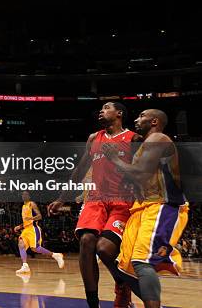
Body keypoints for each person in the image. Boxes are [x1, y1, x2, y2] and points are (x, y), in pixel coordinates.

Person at [48, 102, 140, 308]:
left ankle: (122, 283)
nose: (101, 110)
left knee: (105, 249)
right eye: (101, 108)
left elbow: (143, 173)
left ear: (119, 113)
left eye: (107, 107)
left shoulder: (133, 139)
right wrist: (61, 198)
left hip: (122, 200)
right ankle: (93, 304)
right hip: (96, 199)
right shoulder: (93, 138)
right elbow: (80, 170)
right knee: (86, 241)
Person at [101, 109, 188, 308]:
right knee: (124, 267)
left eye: (141, 116)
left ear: (155, 121)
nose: (136, 119)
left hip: (163, 206)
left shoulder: (159, 138)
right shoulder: (144, 145)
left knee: (142, 262)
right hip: (141, 208)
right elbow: (136, 178)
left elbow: (139, 174)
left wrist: (114, 158)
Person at [14, 191, 64, 274]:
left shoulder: (32, 204)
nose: (24, 196)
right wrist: (20, 226)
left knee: (35, 248)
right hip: (26, 229)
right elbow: (26, 222)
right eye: (23, 194)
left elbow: (39, 216)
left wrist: (30, 218)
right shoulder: (23, 206)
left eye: (26, 194)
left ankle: (55, 255)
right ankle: (25, 265)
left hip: (33, 229)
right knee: (21, 244)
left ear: (29, 196)